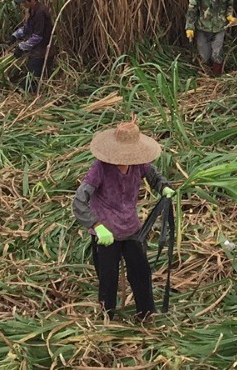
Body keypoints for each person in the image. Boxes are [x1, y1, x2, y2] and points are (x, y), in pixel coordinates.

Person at [71, 120, 175, 320]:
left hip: (131, 228)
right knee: (108, 279)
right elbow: (79, 201)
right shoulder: (100, 169)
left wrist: (164, 187)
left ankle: (145, 315)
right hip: (106, 232)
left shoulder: (138, 165)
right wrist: (97, 226)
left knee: (141, 272)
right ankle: (107, 318)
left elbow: (154, 176)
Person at [184, 0, 237, 76]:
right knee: (204, 55)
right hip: (203, 26)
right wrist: (190, 27)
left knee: (217, 54)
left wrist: (229, 16)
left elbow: (229, 4)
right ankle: (206, 75)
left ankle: (216, 78)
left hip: (220, 26)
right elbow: (192, 7)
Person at [10, 0, 54, 92]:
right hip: (36, 49)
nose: (23, 4)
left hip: (42, 50)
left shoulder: (40, 13)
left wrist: (21, 47)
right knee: (29, 73)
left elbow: (37, 37)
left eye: (24, 1)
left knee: (32, 79)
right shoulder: (33, 10)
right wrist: (15, 35)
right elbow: (28, 27)